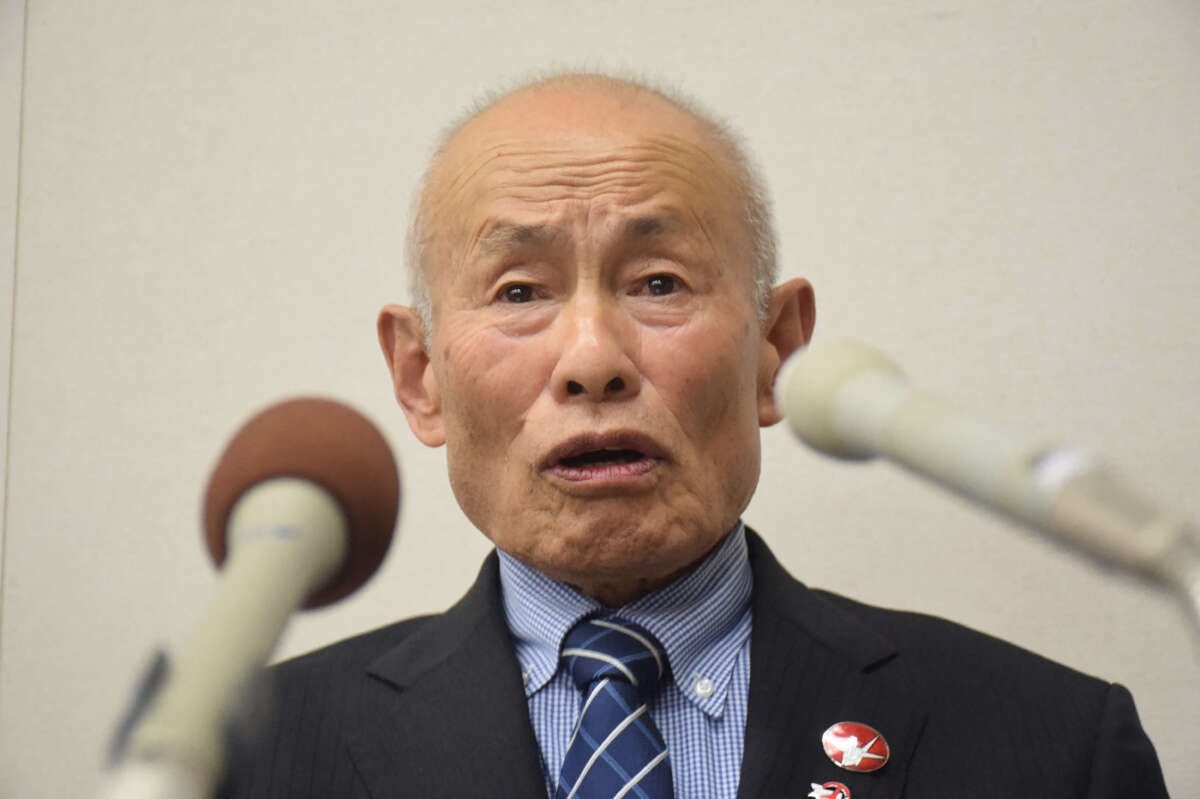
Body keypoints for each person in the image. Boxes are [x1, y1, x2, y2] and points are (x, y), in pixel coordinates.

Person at [220, 73, 1167, 798]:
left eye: (659, 282)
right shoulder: (247, 756)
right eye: (520, 292)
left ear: (774, 350)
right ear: (420, 376)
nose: (592, 358)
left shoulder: (1053, 744)